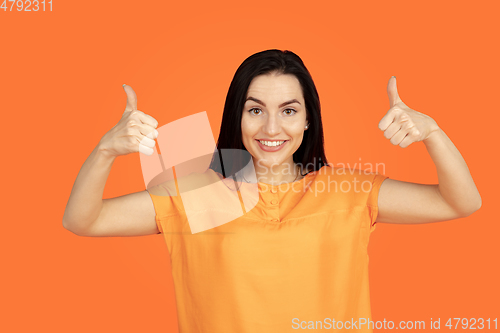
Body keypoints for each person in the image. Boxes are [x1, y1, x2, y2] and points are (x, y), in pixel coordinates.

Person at [62, 49, 481, 332]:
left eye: (289, 111)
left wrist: (433, 134)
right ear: (237, 116)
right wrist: (105, 151)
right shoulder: (194, 195)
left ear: (307, 121)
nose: (272, 129)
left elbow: (460, 202)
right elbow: (84, 220)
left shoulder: (351, 191)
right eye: (256, 110)